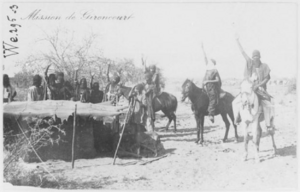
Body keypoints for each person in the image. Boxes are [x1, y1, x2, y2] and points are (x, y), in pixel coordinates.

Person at [233, 34, 274, 132]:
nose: (255, 58)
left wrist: (259, 85)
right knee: (235, 102)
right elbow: (242, 52)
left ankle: (268, 124)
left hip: (261, 90)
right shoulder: (249, 63)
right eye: (254, 56)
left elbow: (267, 78)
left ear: (260, 57)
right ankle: (237, 118)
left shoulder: (264, 66)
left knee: (267, 105)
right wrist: (237, 41)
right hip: (249, 89)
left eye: (257, 56)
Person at [201, 43, 222, 123]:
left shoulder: (214, 70)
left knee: (212, 99)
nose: (208, 62)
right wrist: (202, 48)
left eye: (210, 62)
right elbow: (205, 57)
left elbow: (217, 80)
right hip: (206, 87)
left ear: (212, 63)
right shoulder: (208, 68)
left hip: (212, 88)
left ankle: (211, 114)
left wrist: (208, 81)